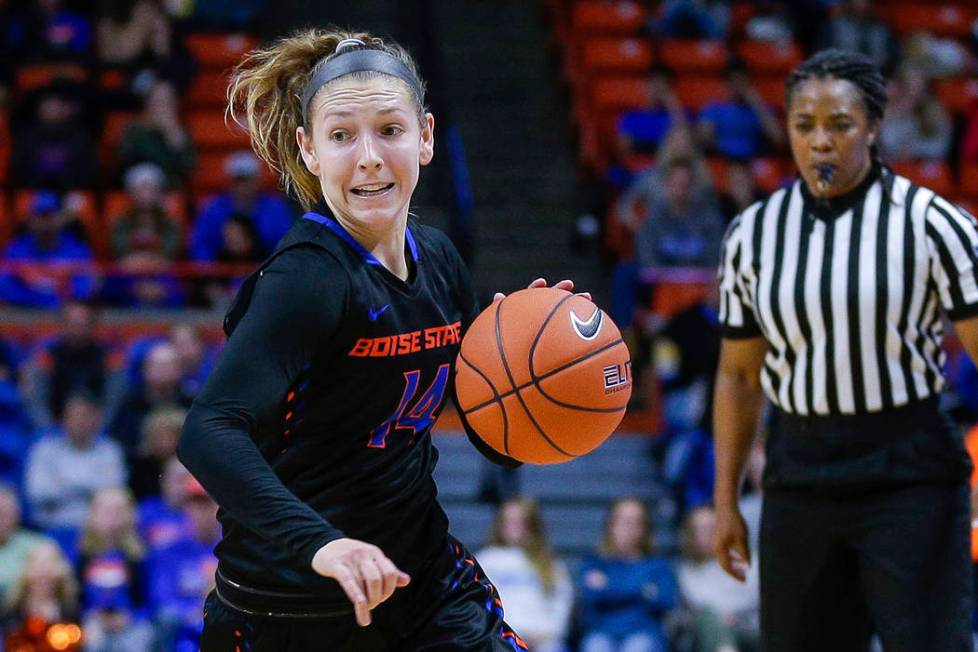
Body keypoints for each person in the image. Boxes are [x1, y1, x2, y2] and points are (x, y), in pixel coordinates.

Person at [176, 28, 581, 650]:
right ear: (310, 152)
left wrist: (532, 368)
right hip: (288, 609)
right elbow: (207, 431)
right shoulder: (307, 277)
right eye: (342, 136)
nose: (368, 156)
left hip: (422, 587)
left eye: (389, 130)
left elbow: (496, 445)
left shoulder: (442, 261)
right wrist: (324, 544)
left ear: (425, 137)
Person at [712, 49, 978, 651]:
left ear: (875, 126)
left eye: (840, 125)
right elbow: (737, 379)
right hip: (799, 471)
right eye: (805, 126)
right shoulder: (752, 234)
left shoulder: (934, 223)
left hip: (909, 470)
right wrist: (725, 498)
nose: (821, 143)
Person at [578, 497, 677, 652]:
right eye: (624, 521)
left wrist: (609, 586)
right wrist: (642, 590)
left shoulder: (658, 565)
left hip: (644, 634)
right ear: (611, 525)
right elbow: (590, 596)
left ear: (645, 528)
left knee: (637, 647)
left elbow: (665, 600)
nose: (629, 528)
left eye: (636, 522)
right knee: (595, 647)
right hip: (601, 633)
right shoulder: (594, 562)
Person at [476, 498, 573, 652]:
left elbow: (561, 605)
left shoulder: (549, 564)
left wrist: (544, 634)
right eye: (507, 521)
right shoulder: (485, 561)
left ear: (533, 525)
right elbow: (477, 606)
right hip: (498, 638)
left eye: (520, 522)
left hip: (543, 641)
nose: (513, 528)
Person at [24, 391, 127, 530]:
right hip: (52, 528)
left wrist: (63, 483)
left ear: (97, 420)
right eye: (76, 416)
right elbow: (39, 493)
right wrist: (91, 486)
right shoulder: (44, 450)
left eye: (87, 416)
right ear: (63, 419)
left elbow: (113, 491)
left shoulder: (110, 450)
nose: (81, 421)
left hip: (100, 530)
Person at [678, 506, 759, 652]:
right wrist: (723, 615)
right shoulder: (688, 571)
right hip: (712, 631)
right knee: (710, 620)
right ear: (691, 535)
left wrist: (732, 613)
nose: (708, 534)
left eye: (712, 528)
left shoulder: (746, 559)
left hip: (750, 628)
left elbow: (756, 595)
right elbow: (700, 604)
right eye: (701, 530)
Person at [878, 66, 951, 162]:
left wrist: (915, 150)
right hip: (890, 166)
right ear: (899, 87)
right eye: (908, 87)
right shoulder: (885, 111)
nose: (913, 92)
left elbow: (940, 147)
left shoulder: (935, 113)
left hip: (920, 166)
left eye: (918, 88)